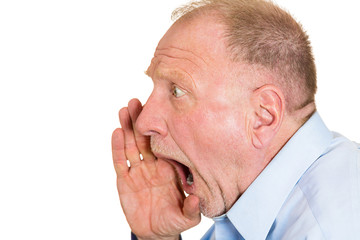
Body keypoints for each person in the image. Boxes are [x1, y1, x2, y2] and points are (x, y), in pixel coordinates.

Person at [111, 0, 360, 239]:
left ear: (263, 116)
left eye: (177, 90)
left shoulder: (333, 228)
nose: (143, 123)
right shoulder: (251, 206)